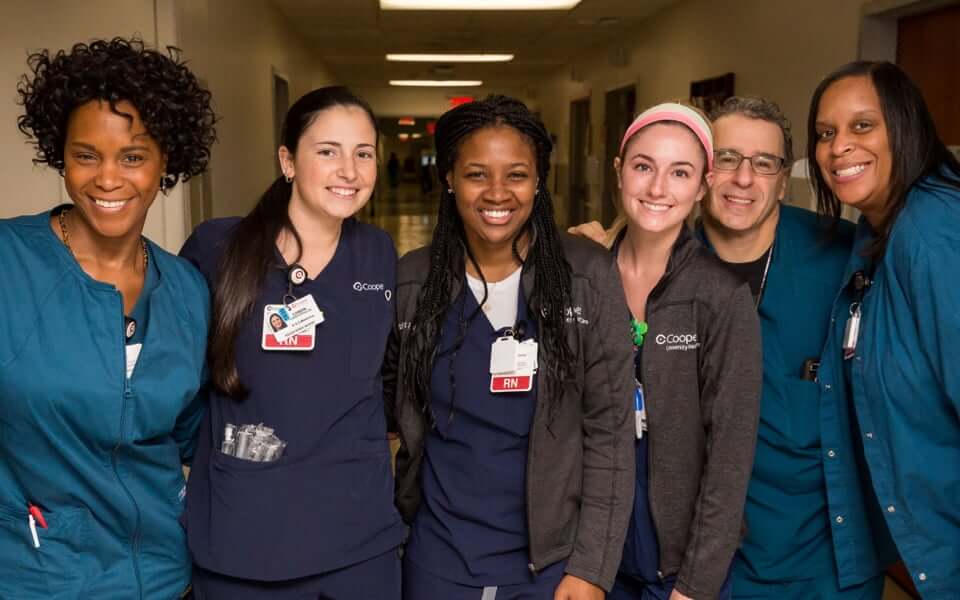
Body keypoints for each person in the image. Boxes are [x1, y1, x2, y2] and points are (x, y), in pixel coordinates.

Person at [570, 96, 888, 599]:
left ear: (783, 181)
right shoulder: (658, 257)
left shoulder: (844, 257)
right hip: (685, 549)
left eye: (764, 164)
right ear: (702, 175)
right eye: (728, 160)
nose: (744, 179)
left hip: (811, 545)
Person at [384, 95, 636, 600]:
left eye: (516, 175)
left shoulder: (584, 273)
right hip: (437, 561)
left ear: (539, 181)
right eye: (477, 174)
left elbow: (610, 431)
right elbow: (387, 409)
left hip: (551, 569)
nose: (497, 193)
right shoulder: (414, 279)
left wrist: (591, 567)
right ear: (450, 178)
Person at [0, 37, 215, 599]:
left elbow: (191, 436)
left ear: (167, 159)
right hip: (38, 578)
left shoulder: (187, 290)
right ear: (60, 155)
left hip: (166, 579)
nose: (108, 179)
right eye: (85, 155)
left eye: (134, 157)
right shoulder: (8, 265)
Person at [179, 86, 405, 599]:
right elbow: (172, 375)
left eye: (363, 154)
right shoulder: (218, 247)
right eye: (328, 151)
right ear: (288, 160)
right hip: (242, 539)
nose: (349, 170)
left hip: (357, 543)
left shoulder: (378, 254)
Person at [594, 103, 761, 600]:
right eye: (643, 166)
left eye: (680, 172)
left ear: (703, 185)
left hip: (681, 571)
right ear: (619, 171)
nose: (658, 189)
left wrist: (697, 584)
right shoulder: (581, 281)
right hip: (590, 560)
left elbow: (730, 458)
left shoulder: (720, 297)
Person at [809, 61, 960, 598]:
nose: (839, 147)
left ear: (905, 125)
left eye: (862, 126)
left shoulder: (934, 229)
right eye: (826, 133)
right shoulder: (876, 236)